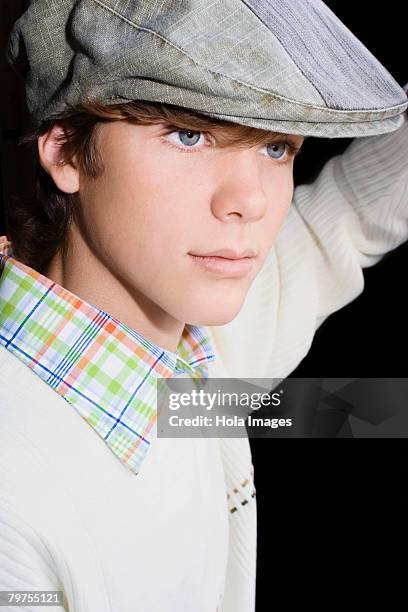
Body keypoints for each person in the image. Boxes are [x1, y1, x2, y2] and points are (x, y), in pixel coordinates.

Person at [0, 1, 407, 611]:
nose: (249, 201)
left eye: (275, 146)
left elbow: (345, 219)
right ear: (66, 153)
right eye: (188, 134)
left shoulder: (187, 376)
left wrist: (376, 410)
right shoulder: (17, 493)